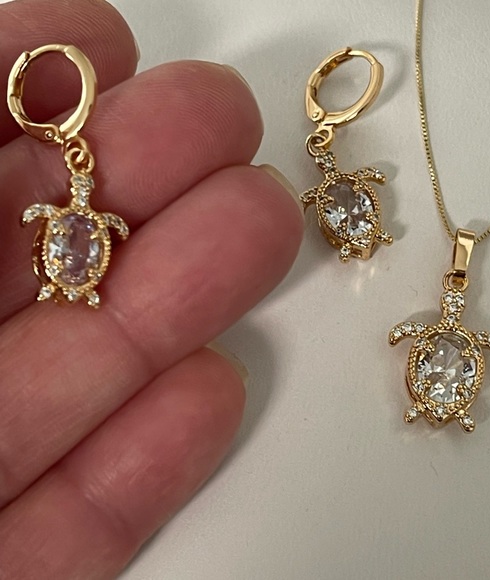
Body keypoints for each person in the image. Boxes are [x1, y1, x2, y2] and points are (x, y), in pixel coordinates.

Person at [0, 0, 303, 577]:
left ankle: (73, 286)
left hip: (77, 268)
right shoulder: (70, 216)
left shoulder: (82, 217)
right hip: (72, 269)